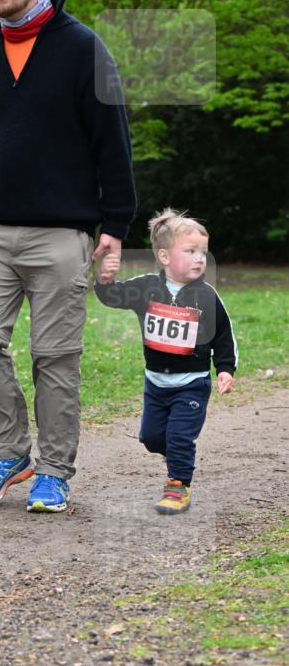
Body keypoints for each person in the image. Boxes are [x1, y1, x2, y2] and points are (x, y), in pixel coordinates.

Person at [0, 0, 136, 512]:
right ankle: (7, 451)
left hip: (61, 232)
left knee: (54, 357)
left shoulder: (81, 48)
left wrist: (116, 226)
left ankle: (53, 470)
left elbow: (112, 141)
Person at [95, 208, 237, 513]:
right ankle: (174, 453)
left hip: (192, 383)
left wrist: (225, 369)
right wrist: (104, 280)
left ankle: (177, 486)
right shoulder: (146, 287)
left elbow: (224, 336)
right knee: (151, 438)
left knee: (178, 436)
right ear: (164, 256)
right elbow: (111, 297)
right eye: (190, 251)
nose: (200, 258)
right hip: (156, 383)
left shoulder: (207, 296)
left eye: (203, 252)